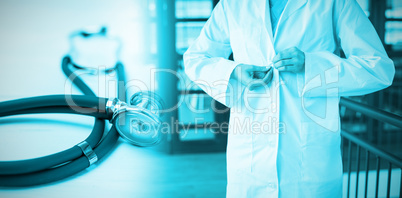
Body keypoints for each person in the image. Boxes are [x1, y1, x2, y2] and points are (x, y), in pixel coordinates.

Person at [183, 0, 395, 197]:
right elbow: (196, 59)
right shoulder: (233, 4)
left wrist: (311, 65)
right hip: (249, 155)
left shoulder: (334, 2)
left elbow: (378, 68)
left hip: (310, 159)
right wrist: (235, 71)